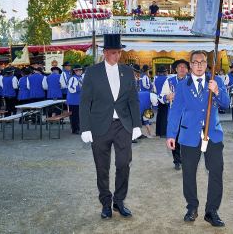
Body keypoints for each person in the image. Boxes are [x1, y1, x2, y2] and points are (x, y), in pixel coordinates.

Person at [79, 34, 141, 220]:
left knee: (123, 164)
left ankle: (119, 201)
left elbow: (133, 100)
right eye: (114, 52)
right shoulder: (92, 72)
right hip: (99, 126)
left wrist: (137, 124)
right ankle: (106, 203)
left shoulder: (128, 72)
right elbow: (85, 102)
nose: (117, 56)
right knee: (102, 167)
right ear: (105, 53)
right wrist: (85, 128)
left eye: (119, 52)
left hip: (123, 125)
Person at [166, 50, 230, 227]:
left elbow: (226, 103)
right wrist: (171, 134)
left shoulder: (215, 80)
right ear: (190, 65)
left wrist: (217, 91)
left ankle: (212, 211)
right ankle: (192, 207)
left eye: (202, 62)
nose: (199, 65)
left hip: (213, 135)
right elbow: (176, 111)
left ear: (207, 64)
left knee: (216, 172)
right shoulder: (182, 85)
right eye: (196, 62)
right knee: (188, 173)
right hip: (189, 135)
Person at [159, 59, 190, 170]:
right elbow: (160, 97)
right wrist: (167, 97)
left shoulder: (192, 81)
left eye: (184, 67)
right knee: (175, 138)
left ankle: (187, 160)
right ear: (176, 69)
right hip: (174, 115)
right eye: (179, 67)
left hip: (189, 115)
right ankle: (177, 160)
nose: (182, 68)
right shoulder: (169, 81)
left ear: (187, 69)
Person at [67, 65, 83, 134]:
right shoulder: (73, 78)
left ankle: (78, 128)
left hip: (78, 100)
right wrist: (80, 88)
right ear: (74, 71)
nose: (79, 71)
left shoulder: (80, 78)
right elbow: (71, 89)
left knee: (78, 115)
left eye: (80, 70)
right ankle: (75, 129)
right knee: (74, 116)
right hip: (73, 100)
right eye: (77, 70)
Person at [153, 66, 168, 138]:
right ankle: (163, 133)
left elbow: (155, 90)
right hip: (165, 99)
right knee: (165, 116)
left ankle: (158, 132)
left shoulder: (155, 79)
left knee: (159, 116)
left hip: (158, 99)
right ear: (165, 72)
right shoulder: (167, 79)